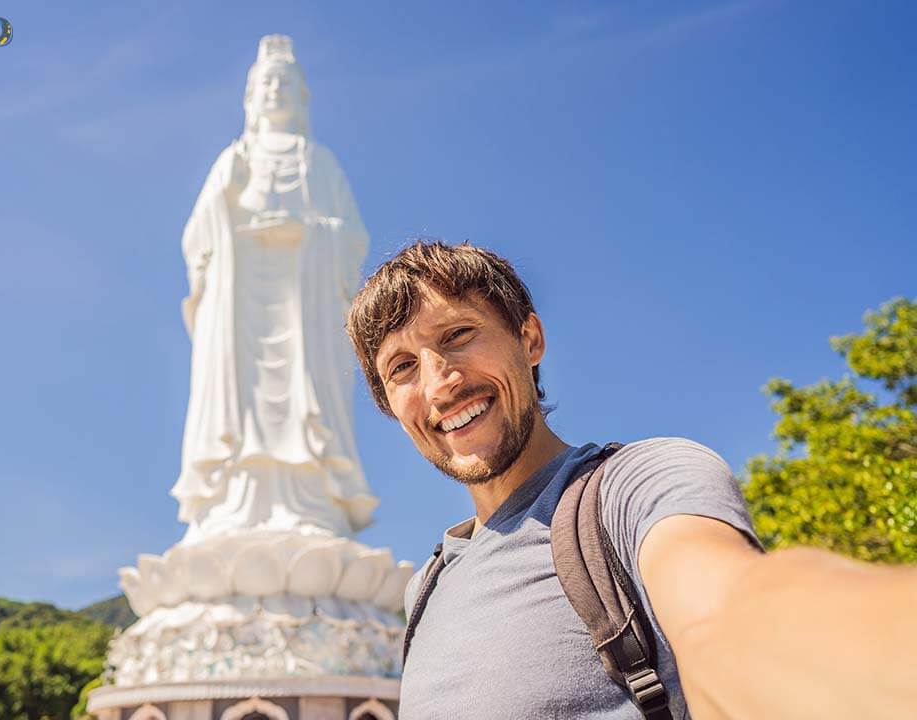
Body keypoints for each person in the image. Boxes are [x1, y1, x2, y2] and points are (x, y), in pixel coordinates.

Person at [345, 240, 917, 719]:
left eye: (458, 335)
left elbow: (730, 614)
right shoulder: (426, 585)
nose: (440, 383)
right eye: (402, 367)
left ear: (530, 338)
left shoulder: (635, 486)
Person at [173, 35, 376, 541]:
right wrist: (226, 205)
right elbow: (195, 238)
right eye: (266, 82)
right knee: (238, 405)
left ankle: (311, 505)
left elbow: (352, 238)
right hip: (239, 301)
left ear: (302, 95)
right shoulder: (233, 159)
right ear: (249, 95)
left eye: (286, 82)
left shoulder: (318, 162)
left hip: (303, 306)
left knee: (304, 395)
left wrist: (308, 236)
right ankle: (232, 506)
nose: (275, 90)